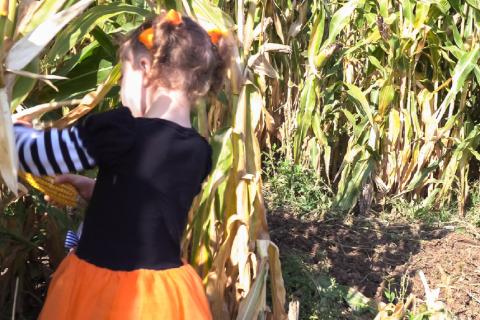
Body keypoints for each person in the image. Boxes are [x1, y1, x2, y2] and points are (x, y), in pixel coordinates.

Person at [14, 10, 230, 320]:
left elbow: (39, 156)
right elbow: (150, 199)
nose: (120, 90)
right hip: (163, 297)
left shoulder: (120, 130)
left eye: (123, 75)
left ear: (145, 68)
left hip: (104, 291)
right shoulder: (199, 151)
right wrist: (93, 188)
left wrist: (13, 131)